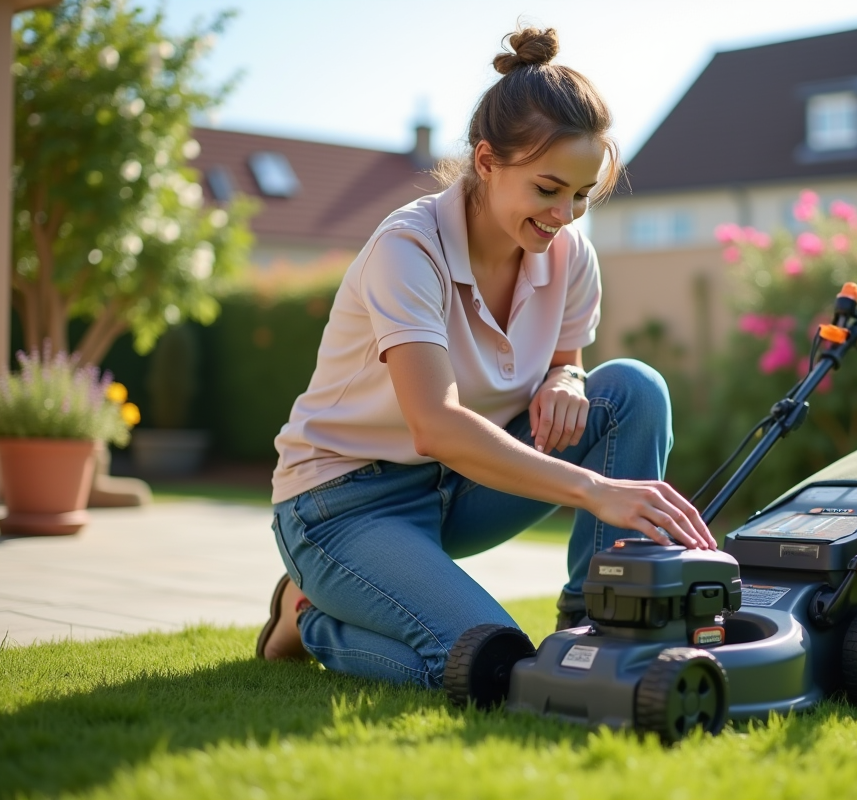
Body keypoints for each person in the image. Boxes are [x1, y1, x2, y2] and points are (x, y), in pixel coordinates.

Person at [256, 26, 715, 688]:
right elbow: (434, 426)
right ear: (488, 162)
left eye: (582, 195)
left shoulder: (567, 254)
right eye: (549, 189)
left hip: (458, 491)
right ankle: (307, 617)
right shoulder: (407, 250)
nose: (564, 215)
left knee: (633, 391)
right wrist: (595, 490)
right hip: (343, 504)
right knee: (497, 667)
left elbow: (568, 358)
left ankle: (605, 626)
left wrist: (567, 376)